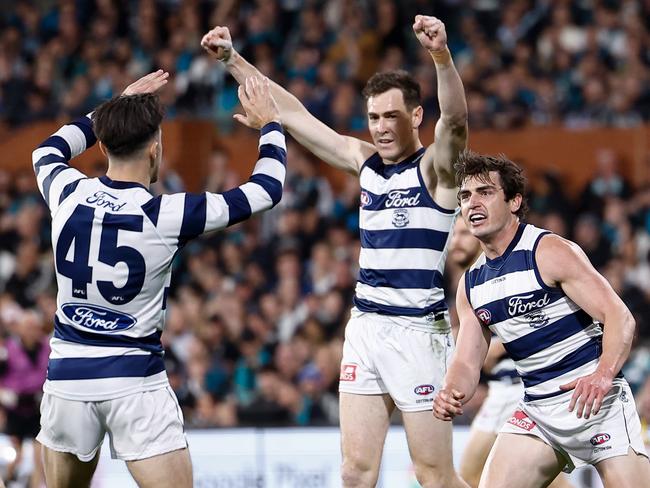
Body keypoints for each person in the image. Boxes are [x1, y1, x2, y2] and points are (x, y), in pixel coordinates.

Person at [202, 15, 469, 488]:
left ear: (415, 117)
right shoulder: (363, 162)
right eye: (373, 118)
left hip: (417, 336)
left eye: (391, 116)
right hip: (365, 328)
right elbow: (295, 113)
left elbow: (457, 120)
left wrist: (441, 58)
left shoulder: (435, 170)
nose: (381, 128)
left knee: (435, 476)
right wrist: (231, 59)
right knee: (354, 473)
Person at [32, 70, 286, 488]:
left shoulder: (67, 192)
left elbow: (46, 152)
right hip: (135, 382)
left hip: (68, 380)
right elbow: (266, 190)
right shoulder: (167, 214)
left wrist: (115, 105)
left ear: (102, 142)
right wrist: (271, 126)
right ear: (155, 150)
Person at [433, 150, 650, 488]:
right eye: (465, 195)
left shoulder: (548, 252)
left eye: (485, 192)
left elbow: (620, 318)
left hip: (599, 404)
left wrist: (603, 375)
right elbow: (467, 362)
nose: (472, 203)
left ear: (514, 201)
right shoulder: (472, 285)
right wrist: (450, 391)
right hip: (539, 412)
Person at [448, 218, 573, 488]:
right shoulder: (468, 283)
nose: (455, 241)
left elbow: (528, 322)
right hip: (500, 389)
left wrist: (497, 344)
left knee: (470, 471)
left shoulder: (503, 275)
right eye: (454, 234)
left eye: (462, 234)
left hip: (518, 387)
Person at [0, 310, 49, 488]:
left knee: (40, 457)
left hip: (38, 407)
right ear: (20, 329)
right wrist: (5, 396)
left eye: (35, 327)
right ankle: (8, 479)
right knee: (15, 456)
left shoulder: (48, 348)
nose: (31, 331)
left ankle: (36, 485)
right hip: (15, 409)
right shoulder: (7, 350)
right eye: (28, 327)